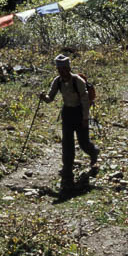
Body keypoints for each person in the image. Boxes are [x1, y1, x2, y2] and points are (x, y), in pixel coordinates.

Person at [40, 54, 99, 190]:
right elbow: (51, 97)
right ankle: (67, 169)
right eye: (60, 70)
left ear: (68, 67)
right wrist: (44, 97)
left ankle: (94, 152)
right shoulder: (58, 81)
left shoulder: (77, 80)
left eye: (64, 69)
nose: (62, 72)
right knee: (67, 143)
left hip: (79, 113)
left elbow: (85, 100)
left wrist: (85, 118)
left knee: (83, 142)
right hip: (67, 113)